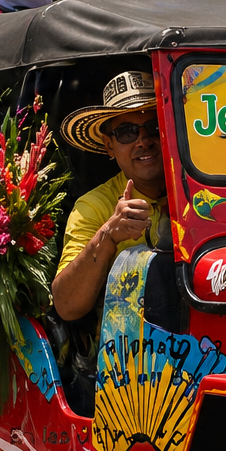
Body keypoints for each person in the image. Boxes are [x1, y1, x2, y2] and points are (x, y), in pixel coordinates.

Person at [51, 72, 168, 322]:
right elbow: (67, 305)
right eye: (127, 133)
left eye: (154, 127)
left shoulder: (203, 189)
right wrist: (108, 235)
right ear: (108, 146)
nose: (144, 141)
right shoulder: (93, 207)